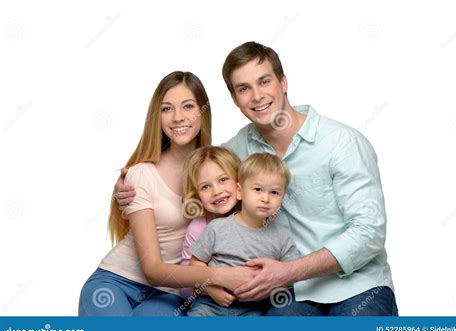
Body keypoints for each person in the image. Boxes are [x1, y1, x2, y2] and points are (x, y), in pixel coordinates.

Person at [115, 42, 398, 316]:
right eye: (244, 89)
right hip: (291, 294)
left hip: (356, 287)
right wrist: (134, 184)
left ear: (283, 82)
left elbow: (368, 232)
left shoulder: (342, 143)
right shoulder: (237, 149)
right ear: (234, 98)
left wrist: (289, 271)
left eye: (264, 82)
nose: (257, 96)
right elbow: (197, 173)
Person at [79, 71, 257, 316]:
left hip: (172, 294)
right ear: (157, 117)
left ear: (202, 112)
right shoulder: (141, 174)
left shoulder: (220, 167)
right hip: (117, 281)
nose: (177, 117)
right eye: (166, 109)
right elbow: (152, 269)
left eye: (188, 106)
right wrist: (222, 276)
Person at [187, 153, 300, 316]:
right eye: (258, 189)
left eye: (274, 192)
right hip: (210, 304)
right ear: (239, 191)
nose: (265, 198)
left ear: (282, 197)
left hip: (252, 309)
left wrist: (270, 288)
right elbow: (196, 264)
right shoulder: (217, 228)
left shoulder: (283, 237)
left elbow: (289, 275)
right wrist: (211, 289)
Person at [179, 146, 241, 302]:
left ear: (239, 181)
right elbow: (184, 286)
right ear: (197, 196)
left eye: (223, 179)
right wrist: (209, 290)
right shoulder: (198, 228)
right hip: (209, 305)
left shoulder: (257, 217)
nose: (216, 191)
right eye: (205, 186)